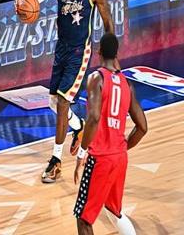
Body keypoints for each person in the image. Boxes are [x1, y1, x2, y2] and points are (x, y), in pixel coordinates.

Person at [17, 0, 114, 183]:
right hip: (61, 47)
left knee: (62, 102)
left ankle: (56, 160)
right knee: (53, 102)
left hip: (80, 52)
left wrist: (109, 54)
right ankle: (79, 126)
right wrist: (23, 1)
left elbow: (108, 21)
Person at [73, 33, 147, 235]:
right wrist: (121, 148)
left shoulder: (96, 78)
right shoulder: (127, 84)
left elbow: (94, 118)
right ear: (117, 55)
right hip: (119, 157)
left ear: (98, 52)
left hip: (100, 158)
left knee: (83, 218)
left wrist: (82, 152)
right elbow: (142, 127)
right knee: (114, 210)